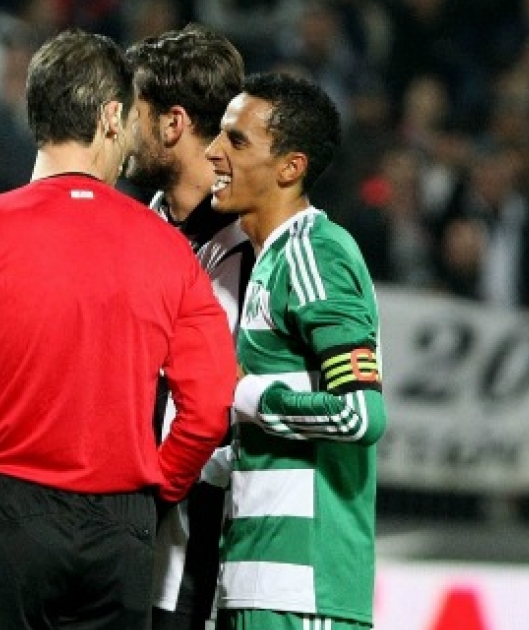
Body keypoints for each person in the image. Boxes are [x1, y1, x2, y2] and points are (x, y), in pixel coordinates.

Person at [0, 29, 237, 630]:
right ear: (111, 117)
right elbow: (210, 406)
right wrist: (155, 491)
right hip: (119, 526)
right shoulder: (168, 249)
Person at [204, 72, 387, 630]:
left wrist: (243, 394)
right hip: (255, 573)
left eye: (237, 141)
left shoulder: (316, 253)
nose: (213, 152)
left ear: (290, 167)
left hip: (304, 584)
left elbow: (360, 413)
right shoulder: (266, 260)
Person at [124, 25, 251, 630]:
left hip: (201, 555)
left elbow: (222, 408)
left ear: (173, 124)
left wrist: (156, 488)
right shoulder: (142, 228)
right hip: (131, 543)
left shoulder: (248, 248)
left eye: (134, 113)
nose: (121, 128)